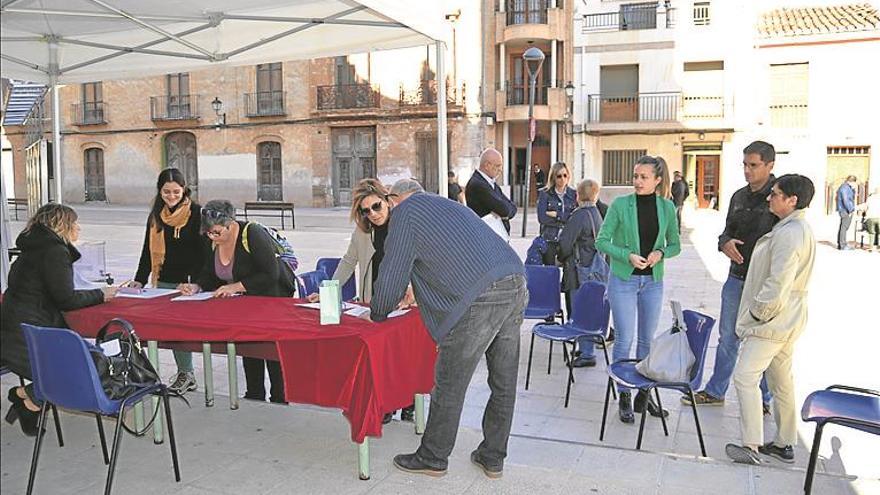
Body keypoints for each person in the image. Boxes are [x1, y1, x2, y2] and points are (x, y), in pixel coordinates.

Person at [370, 179, 527, 479]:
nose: (388, 209)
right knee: (503, 382)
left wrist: (377, 312)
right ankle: (493, 457)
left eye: (388, 202)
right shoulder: (448, 205)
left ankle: (433, 456)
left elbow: (392, 273)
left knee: (449, 383)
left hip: (480, 298)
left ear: (396, 198)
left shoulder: (406, 212)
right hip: (514, 279)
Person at [1, 204, 117, 436]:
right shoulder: (55, 251)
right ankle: (30, 401)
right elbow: (66, 299)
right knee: (85, 367)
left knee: (75, 364)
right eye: (75, 223)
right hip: (30, 334)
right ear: (62, 226)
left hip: (14, 330)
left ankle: (25, 396)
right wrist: (101, 294)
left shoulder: (33, 248)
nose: (79, 228)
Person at [725, 174, 817, 465]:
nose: (769, 197)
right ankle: (784, 442)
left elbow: (778, 283)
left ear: (792, 200)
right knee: (780, 381)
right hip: (787, 319)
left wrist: (756, 315)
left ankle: (751, 445)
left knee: (744, 377)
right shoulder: (794, 227)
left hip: (773, 321)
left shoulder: (791, 233)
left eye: (776, 194)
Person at [308, 178, 415, 423]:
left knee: (402, 354)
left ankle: (408, 401)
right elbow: (348, 262)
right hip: (373, 300)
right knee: (379, 355)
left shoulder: (404, 226)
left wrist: (412, 291)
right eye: (366, 211)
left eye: (376, 206)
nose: (373, 214)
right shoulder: (363, 232)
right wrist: (329, 290)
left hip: (403, 300)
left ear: (387, 200)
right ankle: (385, 403)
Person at [684, 141, 777, 413]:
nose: (747, 171)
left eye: (754, 165)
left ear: (770, 166)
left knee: (763, 341)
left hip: (765, 283)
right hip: (736, 278)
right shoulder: (738, 196)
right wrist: (724, 243)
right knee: (728, 337)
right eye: (745, 165)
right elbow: (726, 231)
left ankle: (764, 399)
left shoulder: (779, 196)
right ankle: (716, 391)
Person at [178, 200, 295, 403]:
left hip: (271, 301)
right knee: (249, 351)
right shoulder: (212, 241)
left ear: (230, 224)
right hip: (245, 308)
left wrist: (236, 286)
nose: (212, 237)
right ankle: (254, 396)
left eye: (217, 232)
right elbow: (209, 273)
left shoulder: (252, 233)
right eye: (208, 233)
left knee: (272, 354)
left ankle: (280, 399)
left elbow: (271, 274)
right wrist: (197, 286)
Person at [595, 155, 680, 424]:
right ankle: (623, 395)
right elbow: (602, 241)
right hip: (624, 280)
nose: (637, 181)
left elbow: (675, 244)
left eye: (643, 177)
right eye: (635, 176)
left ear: (657, 180)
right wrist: (627, 255)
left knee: (647, 340)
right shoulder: (620, 205)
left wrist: (660, 252)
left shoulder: (666, 207)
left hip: (652, 282)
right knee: (624, 339)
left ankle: (644, 394)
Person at [125, 168, 205, 394]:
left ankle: (186, 373)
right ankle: (185, 373)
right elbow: (147, 251)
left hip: (188, 285)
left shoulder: (196, 213)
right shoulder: (156, 215)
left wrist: (198, 283)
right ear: (159, 191)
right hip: (164, 282)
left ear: (184, 190)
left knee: (181, 330)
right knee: (170, 330)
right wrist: (139, 280)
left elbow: (205, 253)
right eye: (166, 192)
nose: (171, 196)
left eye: (176, 192)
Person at [557, 178, 604, 368]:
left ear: (578, 195)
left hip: (579, 270)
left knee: (579, 308)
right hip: (593, 269)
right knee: (589, 308)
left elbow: (565, 244)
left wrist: (561, 257)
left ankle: (587, 353)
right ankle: (586, 346)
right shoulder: (596, 213)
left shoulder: (579, 215)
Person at [466, 148, 517, 235]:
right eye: (497, 166)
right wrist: (504, 212)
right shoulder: (478, 184)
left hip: (497, 236)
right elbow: (504, 210)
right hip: (486, 236)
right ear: (487, 165)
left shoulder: (490, 182)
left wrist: (504, 212)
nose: (500, 170)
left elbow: (512, 208)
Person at [536, 162, 577, 265]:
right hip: (550, 239)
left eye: (565, 175)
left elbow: (575, 217)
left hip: (568, 239)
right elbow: (542, 218)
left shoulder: (574, 194)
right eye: (559, 176)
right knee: (550, 272)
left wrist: (557, 215)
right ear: (553, 177)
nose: (562, 179)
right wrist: (565, 218)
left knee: (569, 274)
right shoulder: (544, 194)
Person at [836, 175, 857, 250]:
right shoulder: (845, 188)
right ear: (851, 181)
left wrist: (853, 190)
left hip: (844, 209)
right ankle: (843, 245)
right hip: (845, 210)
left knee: (843, 227)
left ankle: (841, 243)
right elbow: (846, 200)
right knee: (844, 227)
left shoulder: (846, 187)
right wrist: (851, 209)